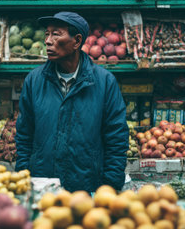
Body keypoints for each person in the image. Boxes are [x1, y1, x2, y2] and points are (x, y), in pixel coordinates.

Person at [15, 12, 128, 192]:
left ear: (76, 41)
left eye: (56, 34)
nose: (48, 41)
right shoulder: (34, 81)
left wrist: (109, 186)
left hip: (87, 187)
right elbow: (24, 134)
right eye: (47, 34)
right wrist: (24, 175)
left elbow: (116, 138)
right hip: (42, 186)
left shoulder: (104, 82)